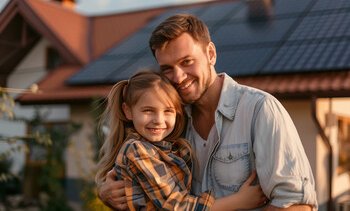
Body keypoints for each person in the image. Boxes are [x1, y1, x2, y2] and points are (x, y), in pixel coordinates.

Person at [98, 14, 318, 210]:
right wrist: (106, 193)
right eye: (167, 69)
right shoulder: (168, 122)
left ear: (210, 54)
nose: (178, 77)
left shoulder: (260, 110)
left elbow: (297, 204)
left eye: (187, 62)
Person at [95, 69, 268, 211]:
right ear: (128, 111)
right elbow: (176, 206)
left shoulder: (168, 146)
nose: (159, 120)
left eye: (168, 111)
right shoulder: (138, 150)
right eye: (148, 110)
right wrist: (239, 201)